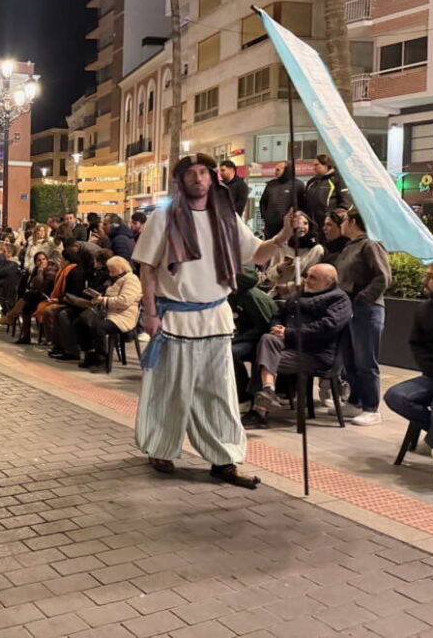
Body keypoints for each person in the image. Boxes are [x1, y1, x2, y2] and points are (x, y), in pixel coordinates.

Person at [132, 153, 293, 487]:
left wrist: (282, 236)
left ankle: (224, 460)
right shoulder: (163, 217)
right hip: (175, 317)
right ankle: (161, 447)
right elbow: (147, 268)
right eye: (190, 173)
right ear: (180, 180)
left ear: (213, 178)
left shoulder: (226, 217)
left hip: (216, 318)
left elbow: (256, 253)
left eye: (204, 172)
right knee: (171, 390)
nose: (199, 178)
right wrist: (149, 314)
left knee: (218, 392)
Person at [247, 264, 352, 427]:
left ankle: (259, 411)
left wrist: (289, 332)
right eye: (306, 276)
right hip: (288, 347)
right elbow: (278, 315)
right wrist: (276, 328)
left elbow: (328, 326)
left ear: (328, 281)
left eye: (312, 277)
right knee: (268, 339)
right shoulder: (299, 294)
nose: (306, 280)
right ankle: (268, 390)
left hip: (315, 353)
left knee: (263, 358)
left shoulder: (339, 299)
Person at [384, 258, 433, 479]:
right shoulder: (425, 310)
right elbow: (417, 345)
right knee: (396, 396)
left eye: (431, 276)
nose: (425, 280)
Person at [335, 209, 392, 425]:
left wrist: (364, 297)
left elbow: (383, 276)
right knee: (349, 357)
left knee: (366, 359)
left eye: (344, 220)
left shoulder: (370, 244)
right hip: (348, 307)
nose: (341, 224)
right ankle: (354, 401)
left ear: (352, 222)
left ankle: (371, 407)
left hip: (366, 309)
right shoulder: (349, 246)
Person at [73, 256, 142, 368]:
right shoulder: (117, 280)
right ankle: (90, 353)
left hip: (122, 316)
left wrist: (104, 300)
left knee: (99, 327)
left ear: (120, 268)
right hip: (109, 313)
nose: (110, 273)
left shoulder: (131, 279)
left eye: (112, 270)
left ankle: (101, 357)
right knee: (80, 322)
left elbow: (125, 301)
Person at [229, 269, 278, 404]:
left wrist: (236, 339)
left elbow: (264, 328)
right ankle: (234, 391)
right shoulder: (234, 295)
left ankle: (244, 394)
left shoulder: (253, 297)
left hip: (260, 340)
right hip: (244, 336)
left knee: (230, 352)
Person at [262, 211, 324, 298]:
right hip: (277, 295)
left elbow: (313, 279)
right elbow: (269, 275)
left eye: (305, 223)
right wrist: (278, 268)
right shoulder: (281, 246)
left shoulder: (316, 250)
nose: (301, 227)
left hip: (302, 297)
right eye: (297, 223)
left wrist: (288, 287)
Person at [304, 154, 351, 235]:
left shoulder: (338, 180)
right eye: (313, 165)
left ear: (326, 165)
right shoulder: (311, 182)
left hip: (330, 226)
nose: (314, 167)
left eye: (317, 165)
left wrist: (333, 219)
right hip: (313, 226)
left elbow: (345, 203)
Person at [259, 162, 306, 240]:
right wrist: (265, 217)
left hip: (289, 227)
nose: (275, 172)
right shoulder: (271, 185)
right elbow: (263, 202)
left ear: (286, 170)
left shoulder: (298, 185)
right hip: (270, 228)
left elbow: (303, 205)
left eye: (278, 170)